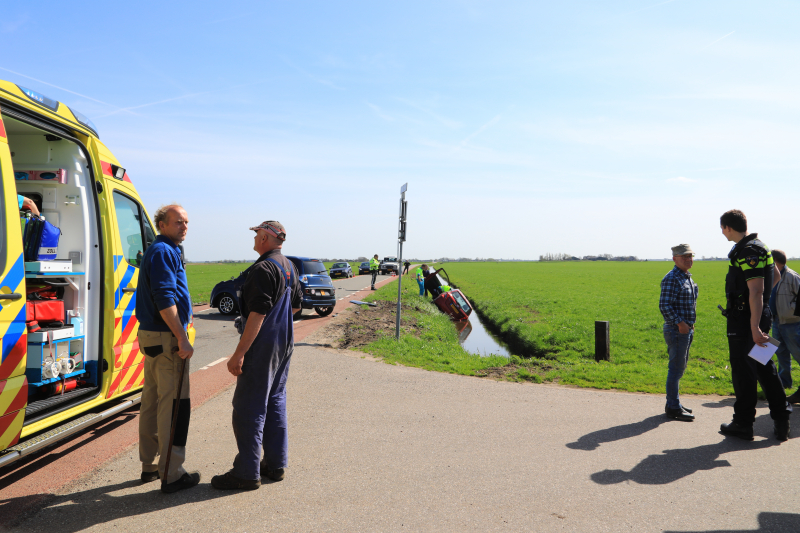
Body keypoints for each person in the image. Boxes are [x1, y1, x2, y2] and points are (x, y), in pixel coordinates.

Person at [212, 221, 302, 490]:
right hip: (284, 342)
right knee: (275, 401)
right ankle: (275, 465)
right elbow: (295, 308)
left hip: (262, 345)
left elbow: (258, 314)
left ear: (264, 237)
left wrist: (240, 353)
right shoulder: (289, 267)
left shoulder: (263, 268)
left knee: (248, 407)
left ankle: (247, 472)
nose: (254, 238)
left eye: (256, 234)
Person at [136, 204, 199, 493]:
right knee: (174, 405)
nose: (184, 226)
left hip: (152, 337)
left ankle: (149, 465)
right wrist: (182, 338)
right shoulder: (164, 252)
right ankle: (171, 473)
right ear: (161, 224)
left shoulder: (161, 250)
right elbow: (164, 297)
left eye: (186, 222)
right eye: (177, 222)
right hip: (166, 338)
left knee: (151, 401)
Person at [718, 209, 791, 441]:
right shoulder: (761, 246)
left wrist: (753, 326)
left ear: (728, 227)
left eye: (722, 228)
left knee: (743, 371)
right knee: (764, 369)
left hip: (745, 321)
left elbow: (757, 289)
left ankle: (743, 423)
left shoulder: (747, 250)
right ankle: (782, 420)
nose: (722, 232)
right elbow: (776, 277)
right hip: (759, 317)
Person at [658, 244, 698, 421]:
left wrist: (689, 324)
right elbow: (664, 305)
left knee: (679, 368)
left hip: (685, 329)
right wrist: (681, 324)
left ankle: (673, 403)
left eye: (690, 256)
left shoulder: (686, 276)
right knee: (675, 369)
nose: (688, 259)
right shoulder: (672, 277)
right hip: (676, 330)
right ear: (675, 259)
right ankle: (673, 407)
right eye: (684, 257)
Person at [768, 249, 800, 401]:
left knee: (797, 353)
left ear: (775, 262)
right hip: (776, 321)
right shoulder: (771, 276)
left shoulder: (792, 277)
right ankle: (784, 382)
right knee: (780, 352)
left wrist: (790, 310)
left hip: (792, 323)